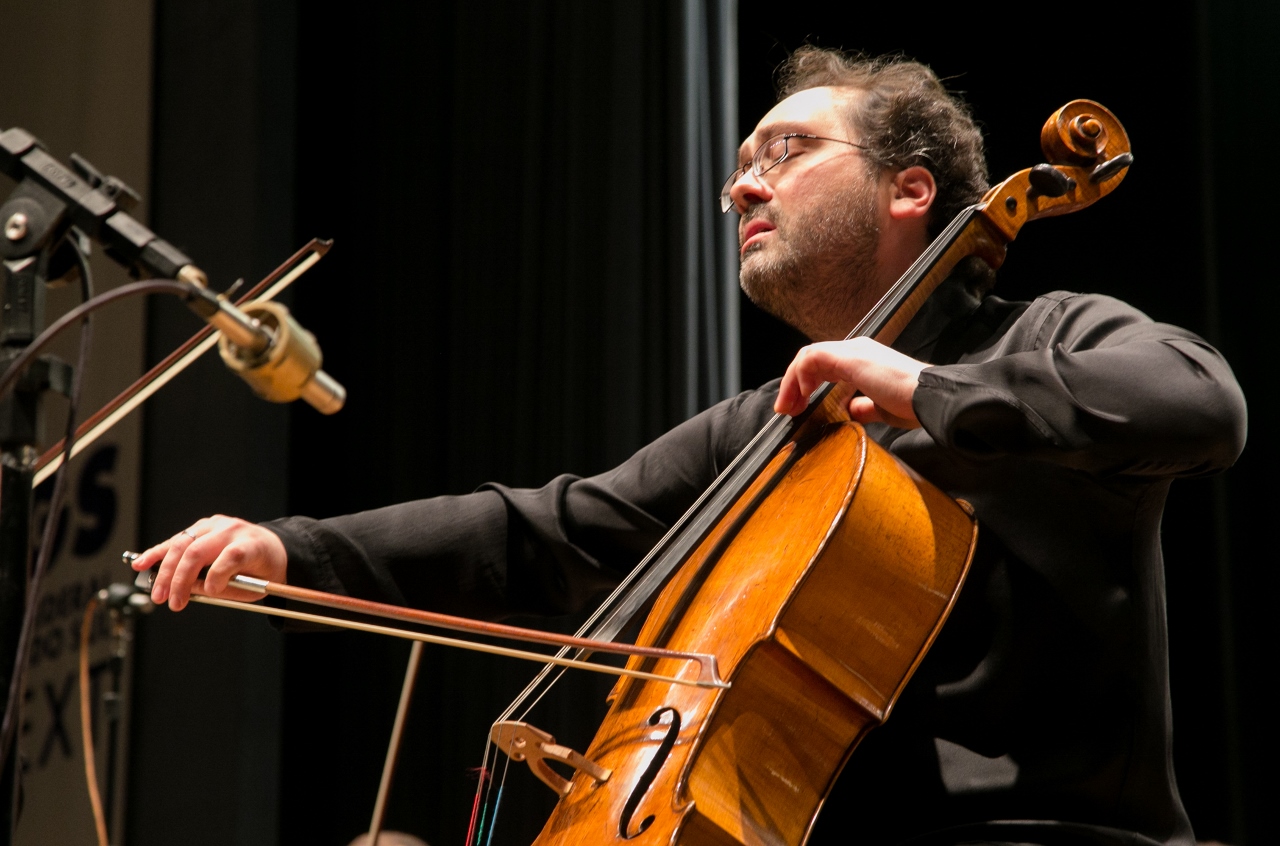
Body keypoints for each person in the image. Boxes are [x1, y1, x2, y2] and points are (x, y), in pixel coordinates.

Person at [132, 48, 1247, 846]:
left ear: (910, 190)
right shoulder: (772, 426)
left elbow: (1199, 404)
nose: (740, 185)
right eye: (738, 166)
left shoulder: (1042, 339)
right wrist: (289, 550)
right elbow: (546, 528)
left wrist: (918, 387)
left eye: (786, 151)